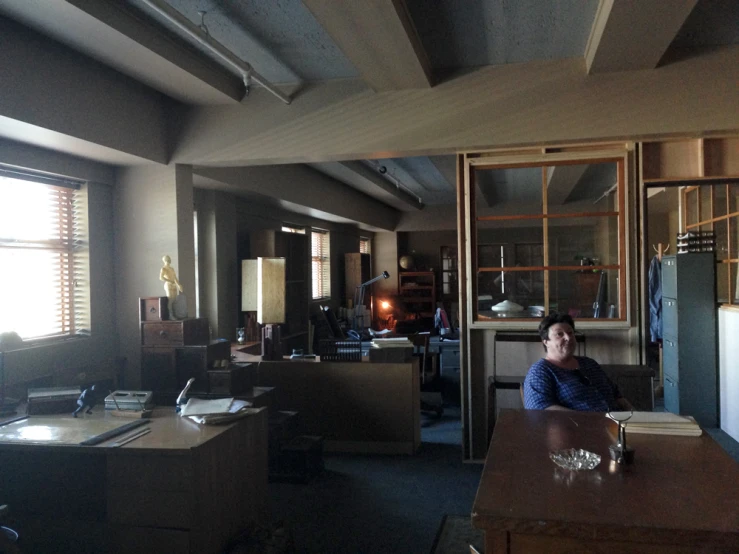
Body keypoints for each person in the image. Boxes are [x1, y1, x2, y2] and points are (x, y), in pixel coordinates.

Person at [523, 313, 633, 412]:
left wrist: (635, 416)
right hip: (577, 430)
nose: (568, 338)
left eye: (570, 333)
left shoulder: (589, 364)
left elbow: (617, 396)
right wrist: (585, 420)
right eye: (559, 334)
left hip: (619, 425)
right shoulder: (540, 371)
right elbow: (539, 408)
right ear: (546, 342)